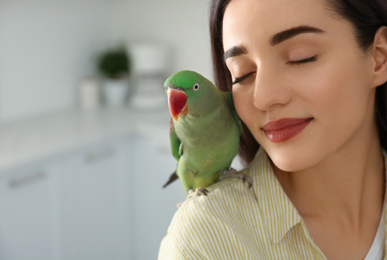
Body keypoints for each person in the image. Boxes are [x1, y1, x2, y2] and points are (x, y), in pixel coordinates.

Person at [158, 0, 387, 259]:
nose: (263, 97)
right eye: (242, 74)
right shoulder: (202, 242)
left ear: (379, 56)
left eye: (301, 57)